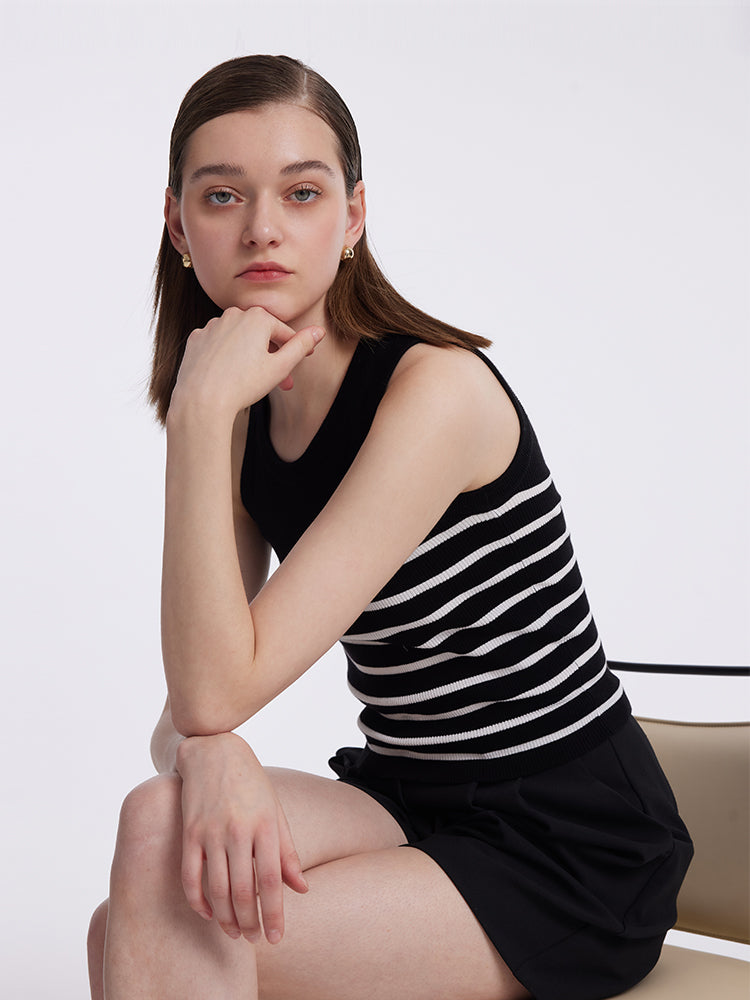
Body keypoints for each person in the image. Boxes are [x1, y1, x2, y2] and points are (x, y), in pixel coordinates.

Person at [87, 54, 692, 1000]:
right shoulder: (238, 408)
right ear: (177, 225)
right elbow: (196, 704)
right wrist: (210, 753)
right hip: (410, 794)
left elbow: (214, 689)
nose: (262, 228)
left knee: (144, 925)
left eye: (301, 192)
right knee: (152, 828)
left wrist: (197, 417)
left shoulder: (433, 393)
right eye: (222, 196)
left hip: (569, 841)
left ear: (353, 217)